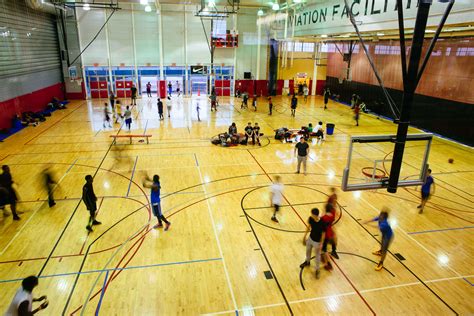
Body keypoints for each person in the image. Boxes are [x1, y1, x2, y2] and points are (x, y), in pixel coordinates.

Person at [300, 208, 326, 279]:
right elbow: (308, 227)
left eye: (312, 214)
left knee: (317, 256)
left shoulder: (322, 222)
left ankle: (317, 270)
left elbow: (323, 233)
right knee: (308, 251)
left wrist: (321, 243)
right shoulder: (311, 219)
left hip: (317, 242)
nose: (311, 215)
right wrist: (304, 236)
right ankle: (307, 262)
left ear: (315, 215)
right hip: (310, 239)